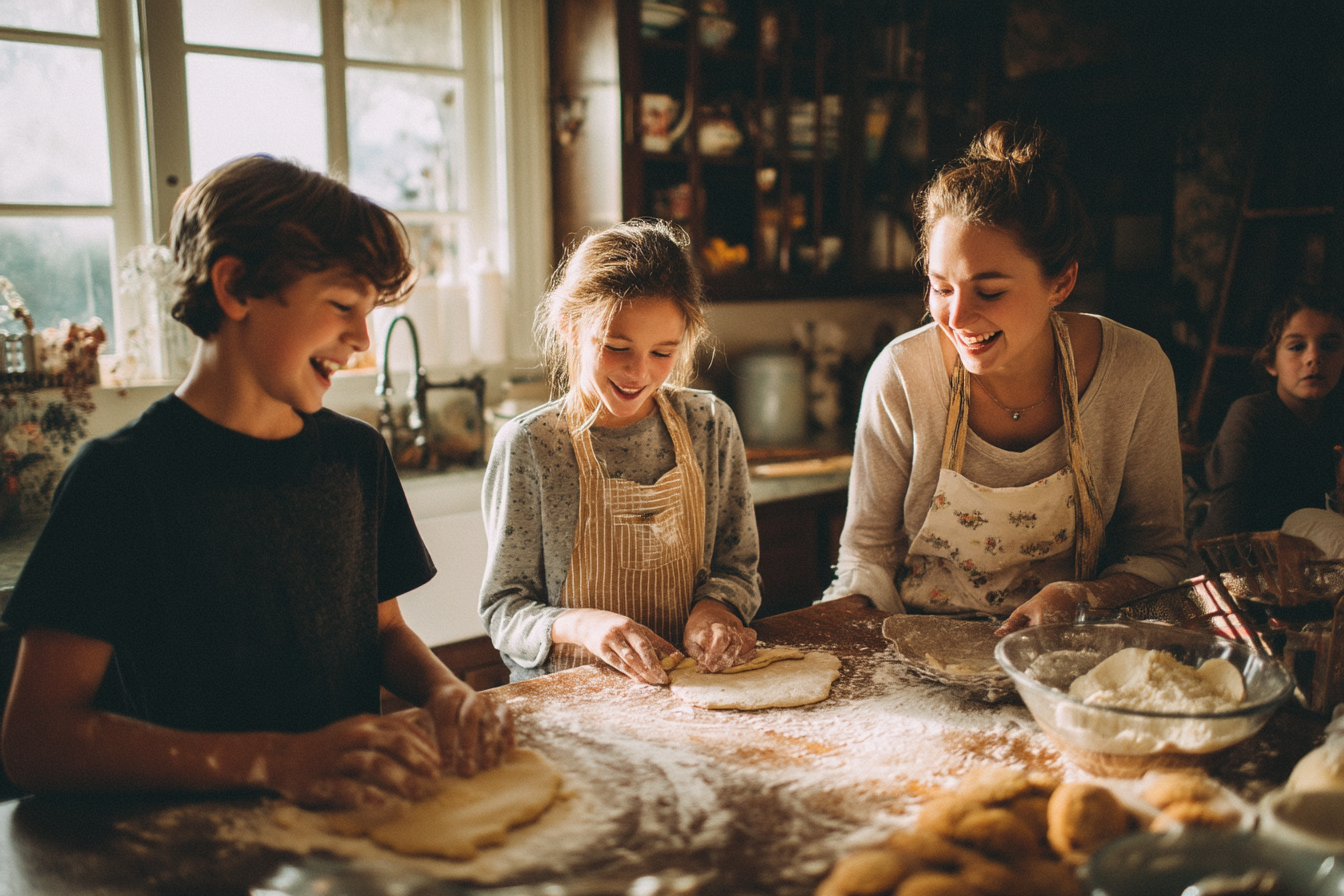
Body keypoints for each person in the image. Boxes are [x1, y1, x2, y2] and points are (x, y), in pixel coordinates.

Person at [1, 155, 509, 808]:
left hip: (343, 834)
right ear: (236, 286)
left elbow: (382, 632)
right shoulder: (120, 481)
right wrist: (276, 760)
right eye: (342, 305)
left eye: (372, 311)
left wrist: (447, 694)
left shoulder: (356, 457)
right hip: (190, 848)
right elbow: (37, 740)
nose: (361, 340)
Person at [822, 121, 1187, 635]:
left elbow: (1160, 557)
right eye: (940, 287)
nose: (957, 317)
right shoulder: (903, 374)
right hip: (923, 657)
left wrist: (1083, 597)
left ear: (1061, 282)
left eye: (989, 292)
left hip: (1072, 654)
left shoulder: (1135, 370)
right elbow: (869, 555)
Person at [480, 219, 760, 685]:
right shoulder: (533, 446)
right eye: (616, 346)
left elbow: (737, 568)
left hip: (691, 687)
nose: (638, 372)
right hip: (571, 699)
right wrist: (583, 627)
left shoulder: (709, 425)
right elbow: (504, 610)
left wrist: (716, 609)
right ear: (570, 327)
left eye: (662, 352)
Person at [1196, 288, 1344, 541]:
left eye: (1329, 346)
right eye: (1297, 346)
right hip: (1244, 563)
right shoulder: (1249, 417)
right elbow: (1224, 531)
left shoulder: (1337, 418)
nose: (1314, 357)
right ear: (1270, 361)